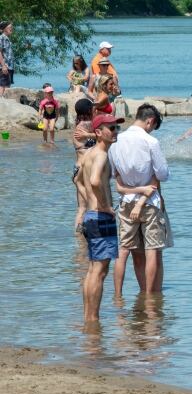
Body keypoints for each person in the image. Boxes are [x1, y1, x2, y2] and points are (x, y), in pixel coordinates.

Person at [109, 104, 171, 296]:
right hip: (149, 201)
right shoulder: (150, 141)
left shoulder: (115, 141)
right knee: (152, 250)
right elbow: (163, 174)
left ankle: (119, 295)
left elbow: (114, 173)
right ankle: (151, 296)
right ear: (150, 121)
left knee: (128, 250)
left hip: (126, 201)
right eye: (152, 126)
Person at [77, 114, 124, 322]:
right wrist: (105, 206)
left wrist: (88, 202)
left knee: (93, 270)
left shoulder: (88, 153)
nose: (115, 132)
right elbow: (95, 181)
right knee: (100, 271)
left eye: (116, 128)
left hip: (90, 216)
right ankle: (93, 319)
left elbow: (77, 180)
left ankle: (88, 317)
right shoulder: (102, 155)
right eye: (110, 128)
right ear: (98, 132)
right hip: (100, 217)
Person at [72, 99, 96, 233]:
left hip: (78, 168)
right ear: (88, 110)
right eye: (92, 108)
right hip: (86, 170)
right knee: (92, 206)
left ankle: (79, 242)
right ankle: (87, 238)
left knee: (81, 208)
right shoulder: (87, 125)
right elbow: (103, 135)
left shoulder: (78, 124)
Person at [0, 21, 14, 97]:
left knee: (7, 86)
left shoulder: (7, 39)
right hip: (4, 67)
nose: (12, 28)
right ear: (4, 28)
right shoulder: (1, 38)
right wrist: (3, 66)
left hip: (9, 67)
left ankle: (5, 105)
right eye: (10, 27)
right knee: (2, 86)